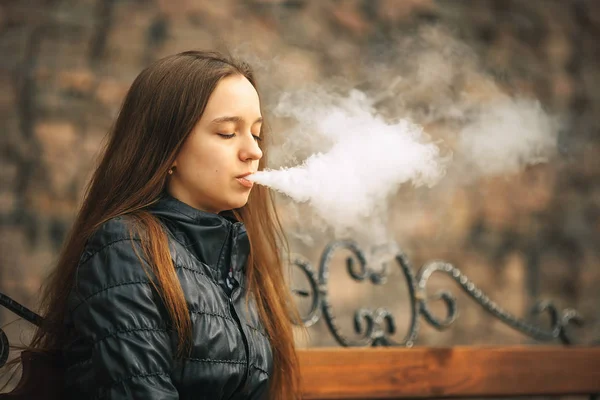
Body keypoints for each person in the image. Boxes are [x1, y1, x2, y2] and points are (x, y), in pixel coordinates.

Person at [16, 51, 301, 399]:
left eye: (256, 134)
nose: (253, 151)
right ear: (169, 147)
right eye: (227, 133)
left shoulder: (238, 258)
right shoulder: (125, 248)